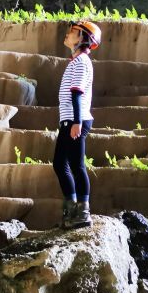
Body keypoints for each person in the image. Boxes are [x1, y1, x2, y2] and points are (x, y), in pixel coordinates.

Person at [53, 20, 101, 229]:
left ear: (82, 37)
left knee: (76, 165)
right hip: (70, 119)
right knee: (60, 164)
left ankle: (82, 213)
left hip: (75, 119)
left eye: (72, 31)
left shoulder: (81, 61)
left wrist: (76, 122)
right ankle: (71, 209)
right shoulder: (76, 61)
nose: (68, 34)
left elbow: (77, 92)